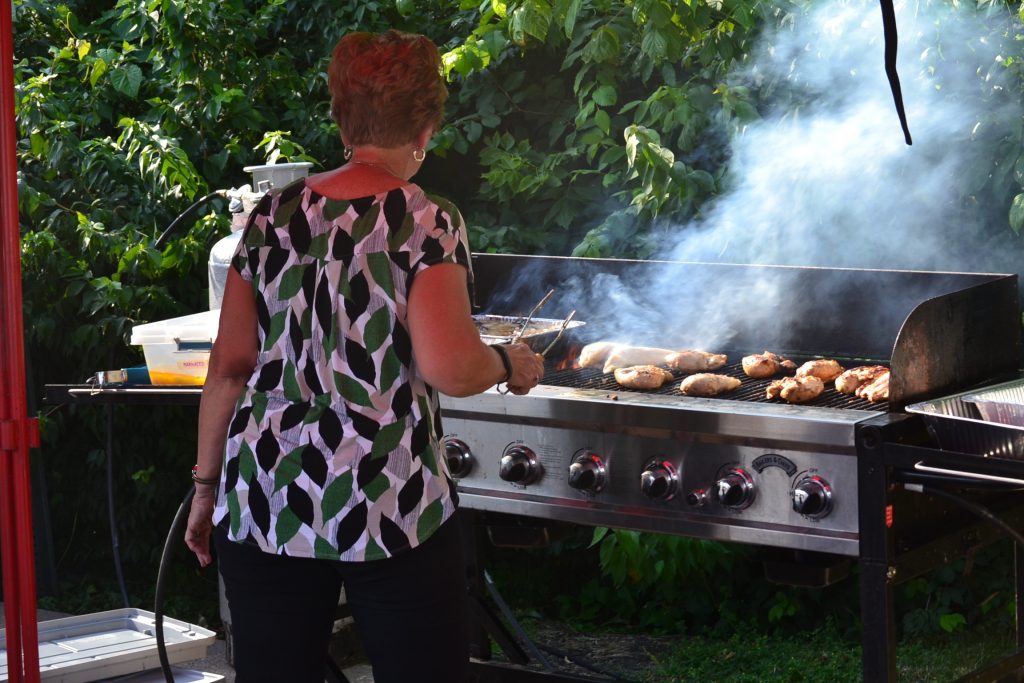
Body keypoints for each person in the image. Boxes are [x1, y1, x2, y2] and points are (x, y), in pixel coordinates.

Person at [184, 30, 545, 683]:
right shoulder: (425, 219)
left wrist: (206, 487)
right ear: (427, 125)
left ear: (342, 116)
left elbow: (229, 366)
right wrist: (510, 365)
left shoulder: (270, 218)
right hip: (390, 502)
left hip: (268, 497)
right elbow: (450, 366)